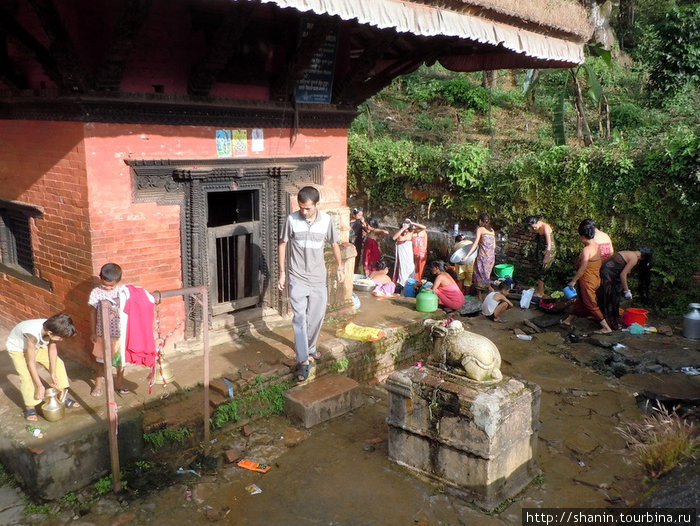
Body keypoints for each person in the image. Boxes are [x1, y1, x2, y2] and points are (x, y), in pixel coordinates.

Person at [278, 186, 344, 382]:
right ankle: (303, 361)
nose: (303, 211)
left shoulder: (326, 221)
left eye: (307, 208)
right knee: (299, 319)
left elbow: (334, 243)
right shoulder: (292, 220)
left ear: (316, 205)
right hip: (297, 277)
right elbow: (283, 243)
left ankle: (311, 348)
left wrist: (340, 267)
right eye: (301, 207)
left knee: (316, 318)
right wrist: (282, 273)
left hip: (317, 278)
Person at [5, 313, 80, 421]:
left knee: (58, 364)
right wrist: (40, 385)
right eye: (60, 338)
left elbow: (52, 349)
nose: (61, 340)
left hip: (37, 347)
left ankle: (61, 397)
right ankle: (30, 406)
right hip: (17, 349)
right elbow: (31, 363)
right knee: (26, 376)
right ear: (50, 333)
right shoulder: (32, 335)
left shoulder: (53, 326)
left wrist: (53, 373)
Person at [562, 221, 613, 333]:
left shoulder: (586, 250)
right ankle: (568, 320)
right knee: (581, 300)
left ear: (583, 236)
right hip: (595, 279)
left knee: (591, 304)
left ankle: (606, 327)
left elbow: (583, 268)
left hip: (587, 280)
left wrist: (573, 281)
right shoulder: (596, 246)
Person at [89, 262, 127, 396]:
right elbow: (92, 312)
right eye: (104, 284)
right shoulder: (96, 293)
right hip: (101, 333)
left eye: (110, 286)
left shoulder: (122, 292)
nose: (107, 288)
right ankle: (98, 385)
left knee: (119, 360)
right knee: (100, 360)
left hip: (119, 333)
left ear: (117, 281)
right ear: (100, 278)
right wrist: (93, 332)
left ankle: (120, 383)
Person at [598, 248, 653, 330]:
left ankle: (612, 321)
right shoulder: (634, 258)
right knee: (610, 298)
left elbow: (624, 269)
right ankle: (610, 325)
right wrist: (627, 291)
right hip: (608, 274)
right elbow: (623, 275)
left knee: (613, 297)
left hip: (607, 271)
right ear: (644, 257)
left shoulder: (631, 253)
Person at [461, 213, 496, 300]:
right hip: (491, 258)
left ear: (480, 221)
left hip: (482, 257)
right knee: (486, 276)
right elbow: (494, 246)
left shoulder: (480, 229)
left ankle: (481, 296)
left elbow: (475, 243)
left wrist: (467, 256)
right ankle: (490, 294)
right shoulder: (492, 231)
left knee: (478, 276)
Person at [525, 216, 555, 298]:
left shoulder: (545, 227)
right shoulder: (537, 226)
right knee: (539, 269)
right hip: (541, 249)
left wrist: (547, 256)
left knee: (542, 270)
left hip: (548, 251)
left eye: (534, 227)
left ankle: (541, 293)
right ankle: (540, 291)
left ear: (537, 222)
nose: (533, 229)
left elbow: (549, 244)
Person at [393, 218, 416, 291]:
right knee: (401, 270)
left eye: (407, 228)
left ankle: (408, 286)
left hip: (409, 257)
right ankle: (400, 286)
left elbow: (423, 227)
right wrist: (403, 229)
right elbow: (394, 238)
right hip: (402, 257)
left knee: (410, 269)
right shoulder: (400, 234)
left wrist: (411, 222)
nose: (406, 230)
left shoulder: (411, 233)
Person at [408, 215, 428, 280]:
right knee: (413, 269)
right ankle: (414, 282)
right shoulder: (410, 232)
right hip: (414, 253)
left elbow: (424, 227)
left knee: (420, 270)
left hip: (422, 253)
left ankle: (418, 283)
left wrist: (412, 223)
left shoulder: (423, 231)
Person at [350, 207, 368, 273]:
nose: (361, 217)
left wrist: (363, 222)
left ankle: (355, 271)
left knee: (357, 258)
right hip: (351, 243)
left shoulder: (361, 223)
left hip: (358, 243)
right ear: (354, 215)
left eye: (361, 215)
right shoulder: (350, 223)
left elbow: (367, 230)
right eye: (359, 215)